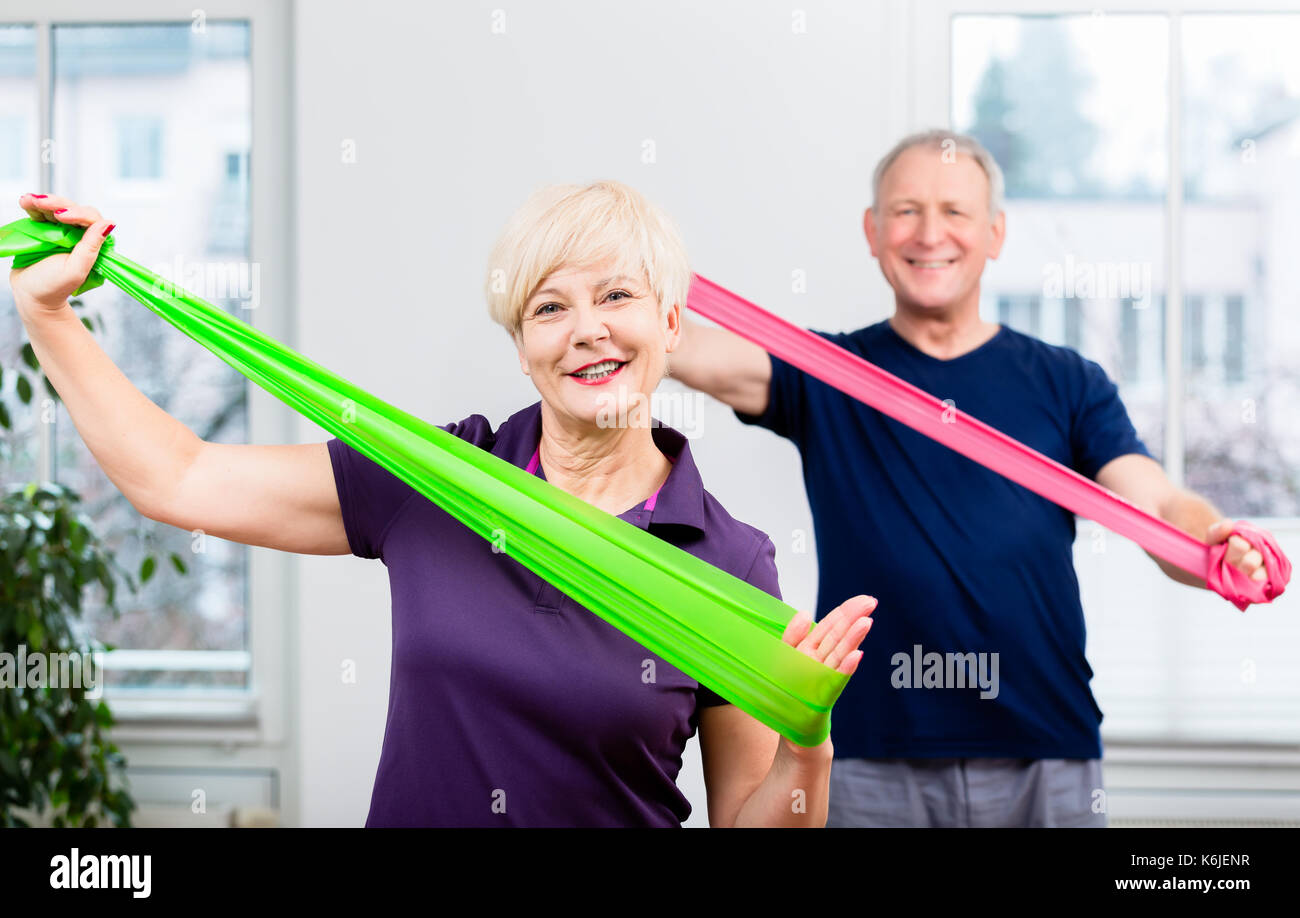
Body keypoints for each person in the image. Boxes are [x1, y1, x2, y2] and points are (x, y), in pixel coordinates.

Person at [8, 181, 875, 827]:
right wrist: (52, 320)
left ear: (672, 325)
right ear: (523, 347)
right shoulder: (439, 478)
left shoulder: (731, 559)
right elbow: (181, 477)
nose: (587, 329)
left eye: (617, 295)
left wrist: (808, 746)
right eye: (550, 307)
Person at [667, 129, 1282, 828]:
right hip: (871, 756)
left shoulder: (1067, 382)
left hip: (1044, 754)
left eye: (955, 212)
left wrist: (1215, 544)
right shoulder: (826, 375)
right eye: (906, 211)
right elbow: (676, 344)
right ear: (873, 231)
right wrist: (615, 281)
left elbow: (1160, 503)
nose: (930, 234)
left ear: (995, 233)